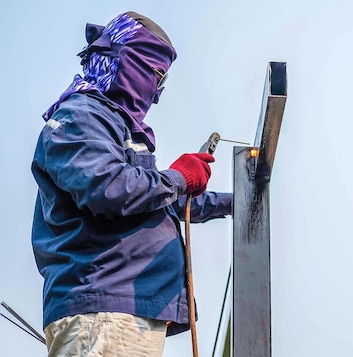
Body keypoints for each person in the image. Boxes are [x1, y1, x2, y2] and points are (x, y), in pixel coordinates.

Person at [30, 11, 232, 356]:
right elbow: (110, 189)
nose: (156, 92)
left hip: (123, 311)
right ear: (127, 61)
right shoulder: (81, 115)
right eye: (155, 75)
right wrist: (178, 178)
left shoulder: (112, 128)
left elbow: (154, 200)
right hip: (104, 308)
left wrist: (235, 201)